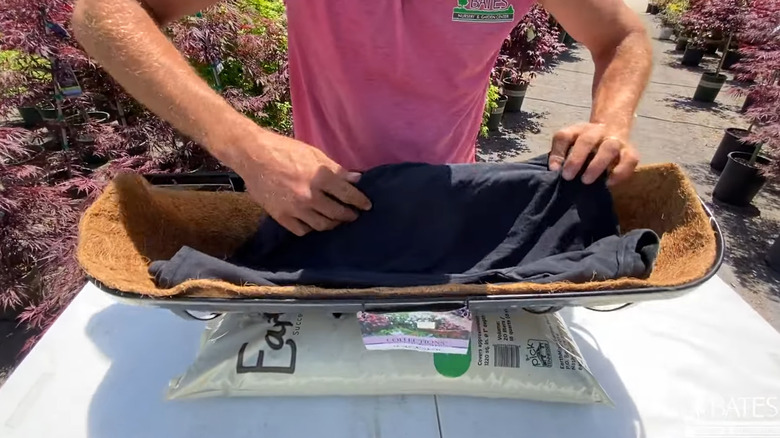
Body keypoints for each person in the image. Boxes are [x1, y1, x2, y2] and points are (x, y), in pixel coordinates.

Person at [73, 0, 652, 236]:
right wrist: (246, 146)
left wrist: (612, 123)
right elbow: (102, 13)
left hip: (449, 199)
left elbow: (621, 35)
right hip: (313, 200)